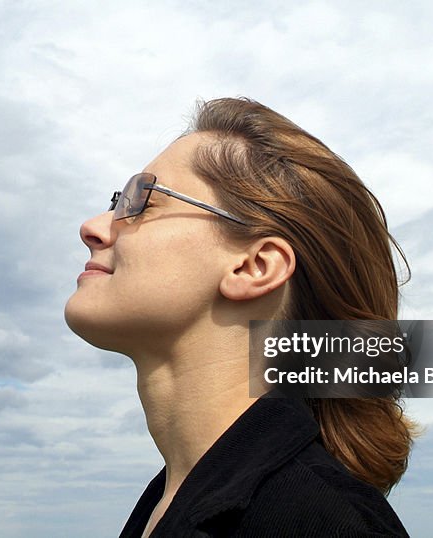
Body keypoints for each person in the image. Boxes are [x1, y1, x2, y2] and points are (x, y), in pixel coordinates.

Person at [64, 97, 415, 537]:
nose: (93, 226)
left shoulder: (316, 522)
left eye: (143, 201)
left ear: (254, 267)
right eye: (117, 201)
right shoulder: (173, 505)